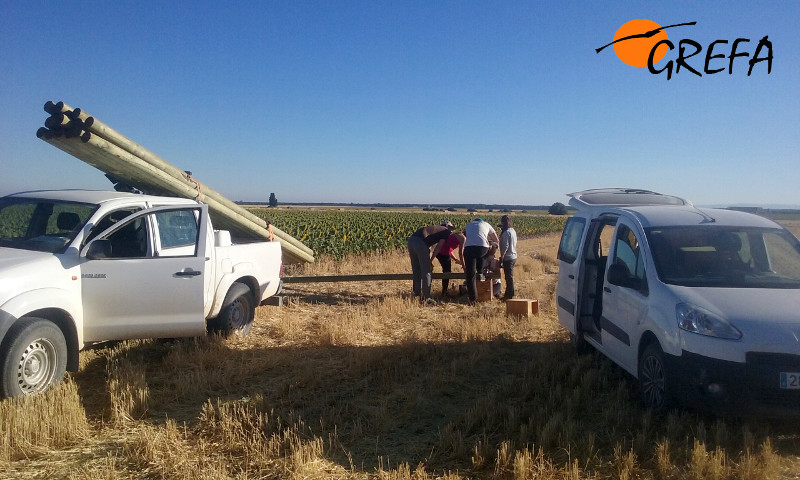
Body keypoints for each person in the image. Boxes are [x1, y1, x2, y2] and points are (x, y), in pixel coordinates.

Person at [407, 221, 455, 301]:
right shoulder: (446, 231)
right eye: (450, 228)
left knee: (416, 270)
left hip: (411, 241)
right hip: (420, 242)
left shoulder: (435, 229)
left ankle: (416, 294)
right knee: (427, 271)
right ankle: (427, 298)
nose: (451, 231)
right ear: (447, 226)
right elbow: (439, 247)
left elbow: (429, 243)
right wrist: (431, 260)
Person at [463, 217, 499, 304]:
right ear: (482, 221)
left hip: (469, 247)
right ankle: (480, 271)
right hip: (482, 247)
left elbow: (466, 235)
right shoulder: (486, 224)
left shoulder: (469, 225)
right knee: (481, 258)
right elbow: (496, 240)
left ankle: (472, 299)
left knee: (470, 274)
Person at [435, 231, 465, 296]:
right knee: (447, 272)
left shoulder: (456, 235)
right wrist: (463, 265)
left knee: (446, 271)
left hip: (441, 253)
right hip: (444, 254)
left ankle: (444, 291)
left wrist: (455, 259)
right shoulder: (463, 238)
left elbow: (449, 249)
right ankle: (444, 292)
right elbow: (460, 253)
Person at [498, 215, 518, 300]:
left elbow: (505, 246)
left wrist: (501, 257)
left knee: (509, 277)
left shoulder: (506, 233)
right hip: (513, 256)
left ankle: (511, 295)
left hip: (508, 257)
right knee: (508, 277)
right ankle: (507, 294)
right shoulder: (512, 231)